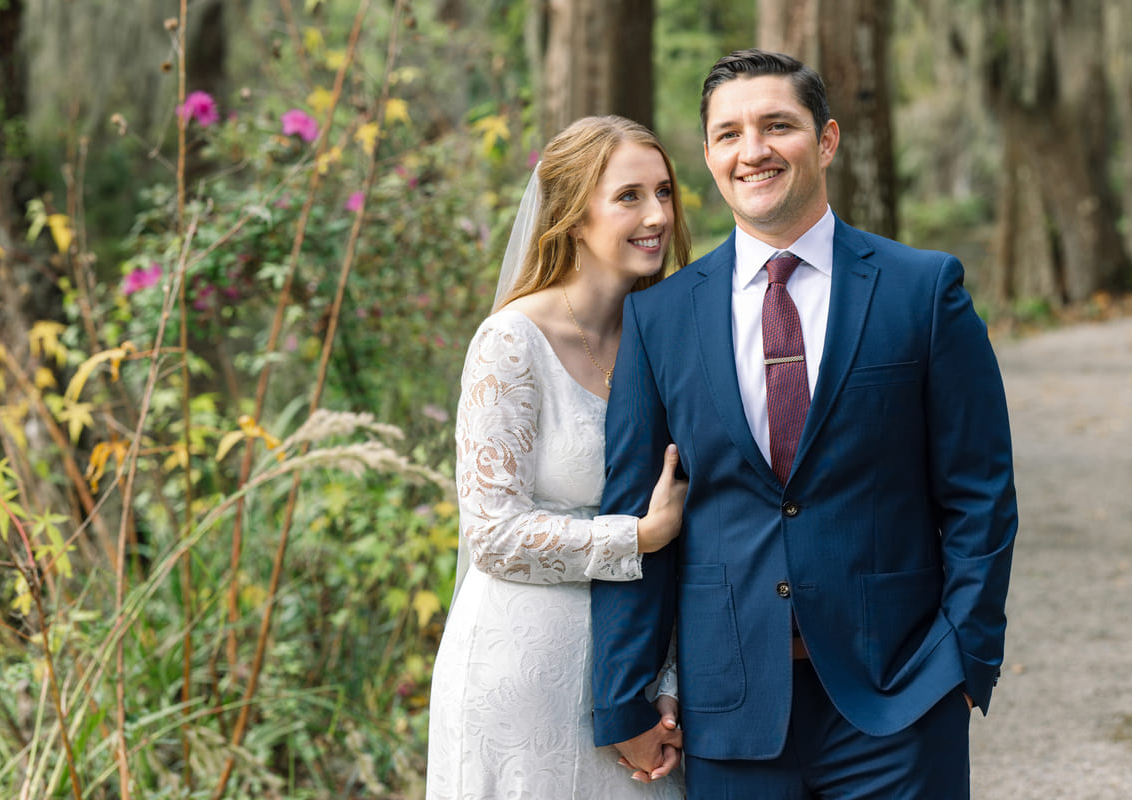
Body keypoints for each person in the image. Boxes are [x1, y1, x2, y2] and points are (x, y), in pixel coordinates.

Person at [592, 50, 1019, 798]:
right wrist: (624, 698)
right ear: (710, 156)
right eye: (728, 134)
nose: (751, 150)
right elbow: (635, 509)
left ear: (825, 141)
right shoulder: (658, 318)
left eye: (776, 126)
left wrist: (962, 659)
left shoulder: (922, 291)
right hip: (730, 709)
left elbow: (979, 492)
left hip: (900, 700)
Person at [426, 115, 693, 799]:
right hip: (519, 670)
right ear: (574, 216)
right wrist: (637, 535)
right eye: (628, 196)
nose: (656, 214)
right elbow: (491, 533)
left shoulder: (668, 341)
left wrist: (664, 682)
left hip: (629, 667)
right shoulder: (511, 344)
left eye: (663, 193)